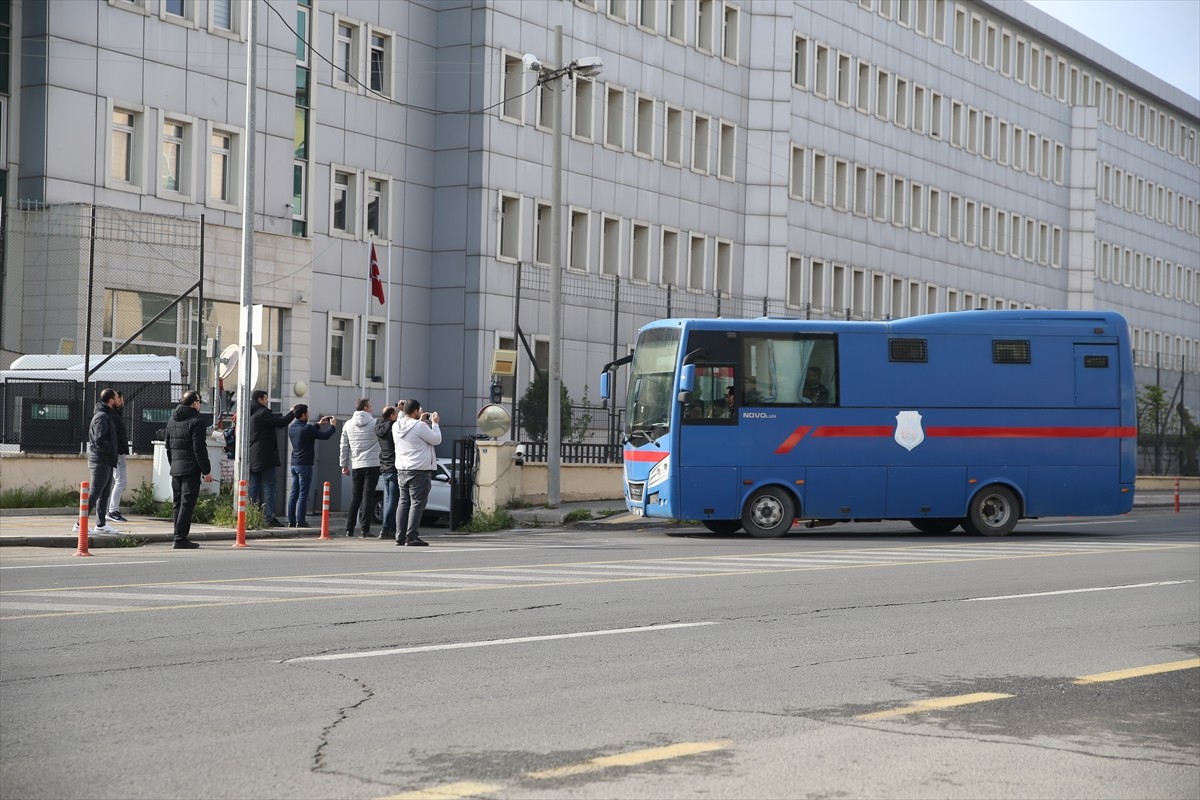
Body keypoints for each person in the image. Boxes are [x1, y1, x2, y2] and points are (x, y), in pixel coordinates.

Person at [164, 390, 212, 549]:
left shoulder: (172, 420)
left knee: (177, 504)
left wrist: (173, 464)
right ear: (194, 403)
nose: (200, 405)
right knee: (187, 504)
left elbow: (168, 447)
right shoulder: (196, 422)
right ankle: (180, 538)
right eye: (199, 402)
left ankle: (177, 536)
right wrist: (206, 470)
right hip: (190, 469)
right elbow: (199, 449)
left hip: (176, 468)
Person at [392, 399, 441, 547]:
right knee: (417, 503)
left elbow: (412, 432)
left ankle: (400, 536)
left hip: (402, 469)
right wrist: (435, 424)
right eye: (419, 410)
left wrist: (420, 421)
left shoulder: (396, 425)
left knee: (403, 502)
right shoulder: (420, 426)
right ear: (415, 411)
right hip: (419, 470)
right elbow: (436, 439)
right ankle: (412, 536)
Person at [76, 388, 121, 535]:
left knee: (104, 493)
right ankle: (79, 524)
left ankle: (101, 524)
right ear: (111, 401)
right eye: (117, 397)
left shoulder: (107, 415)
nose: (119, 400)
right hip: (100, 460)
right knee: (95, 493)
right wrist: (111, 450)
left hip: (106, 460)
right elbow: (99, 439)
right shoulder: (102, 417)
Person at [247, 390, 296, 527]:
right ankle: (269, 517)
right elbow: (281, 422)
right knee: (270, 485)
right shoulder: (262, 412)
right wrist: (292, 413)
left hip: (253, 455)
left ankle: (250, 515)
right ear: (260, 399)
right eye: (266, 398)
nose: (267, 401)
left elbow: (274, 419)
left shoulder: (250, 413)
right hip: (265, 455)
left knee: (254, 486)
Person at [287, 405, 337, 528]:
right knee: (303, 494)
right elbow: (325, 436)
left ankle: (291, 521)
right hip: (305, 465)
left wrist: (319, 424)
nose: (309, 415)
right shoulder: (307, 428)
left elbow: (307, 432)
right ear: (303, 415)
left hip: (294, 464)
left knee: (294, 494)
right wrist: (333, 426)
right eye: (307, 413)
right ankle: (301, 521)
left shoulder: (292, 427)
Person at [339, 398, 380, 537]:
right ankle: (365, 529)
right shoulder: (375, 423)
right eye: (370, 406)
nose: (372, 409)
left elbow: (344, 446)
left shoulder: (348, 424)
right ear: (366, 408)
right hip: (373, 464)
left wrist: (344, 465)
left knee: (356, 497)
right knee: (368, 496)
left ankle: (349, 529)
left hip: (356, 464)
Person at [375, 404, 400, 540]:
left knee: (390, 499)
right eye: (396, 413)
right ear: (391, 416)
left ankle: (391, 528)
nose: (398, 414)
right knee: (393, 500)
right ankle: (385, 528)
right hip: (393, 466)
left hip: (384, 467)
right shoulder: (393, 428)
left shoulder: (379, 427)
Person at [106, 391, 130, 522]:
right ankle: (113, 510)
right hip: (117, 452)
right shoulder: (114, 415)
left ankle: (110, 509)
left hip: (116, 451)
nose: (122, 402)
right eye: (120, 399)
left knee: (114, 481)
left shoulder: (114, 414)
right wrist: (120, 449)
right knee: (121, 481)